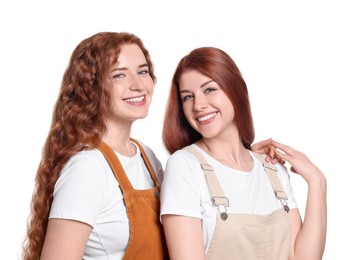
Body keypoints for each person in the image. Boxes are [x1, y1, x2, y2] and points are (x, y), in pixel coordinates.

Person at [160, 47, 327, 259]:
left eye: (209, 89)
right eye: (187, 97)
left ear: (235, 88)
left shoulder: (272, 169)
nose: (199, 105)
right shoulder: (184, 166)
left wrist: (317, 182)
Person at [22, 32, 169, 260]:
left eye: (142, 71)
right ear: (92, 87)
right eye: (119, 75)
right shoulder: (88, 168)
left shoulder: (147, 157)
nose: (138, 84)